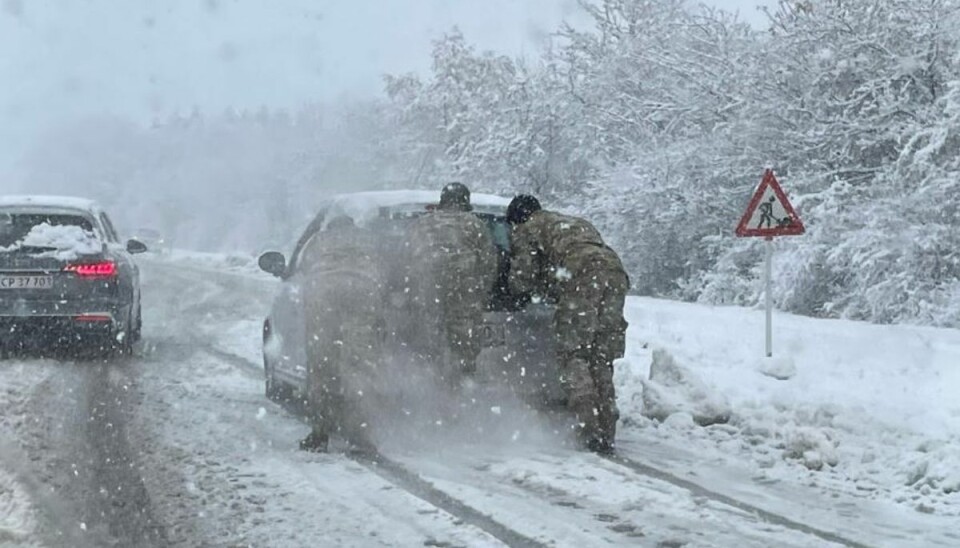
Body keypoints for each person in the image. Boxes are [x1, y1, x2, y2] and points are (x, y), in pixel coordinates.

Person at [506, 194, 629, 454]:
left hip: (582, 273)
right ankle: (607, 428)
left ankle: (588, 429)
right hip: (614, 271)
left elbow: (523, 277)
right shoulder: (571, 222)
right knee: (601, 354)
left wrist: (513, 293)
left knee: (574, 353)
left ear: (518, 218)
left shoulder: (527, 228)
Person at [298, 215, 384, 453]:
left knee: (321, 365)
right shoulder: (369, 240)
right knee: (360, 366)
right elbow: (385, 269)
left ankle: (320, 432)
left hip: (323, 294)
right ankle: (360, 435)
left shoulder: (319, 240)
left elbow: (304, 270)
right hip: (364, 293)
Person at [406, 183, 497, 383]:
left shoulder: (420, 224)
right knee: (463, 343)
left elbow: (404, 260)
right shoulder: (474, 224)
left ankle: (427, 386)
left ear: (442, 201)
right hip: (464, 288)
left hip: (426, 287)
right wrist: (483, 294)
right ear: (465, 202)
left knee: (427, 339)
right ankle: (461, 387)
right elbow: (489, 264)